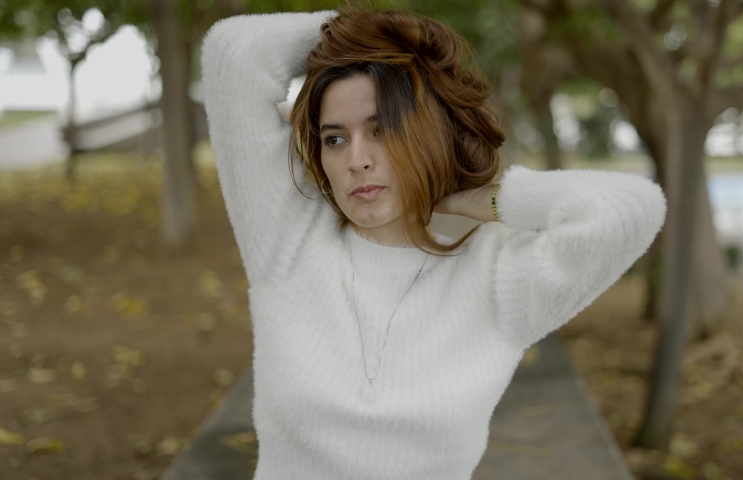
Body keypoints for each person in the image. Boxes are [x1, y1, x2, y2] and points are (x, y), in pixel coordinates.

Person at [200, 3, 666, 479]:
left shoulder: (498, 278)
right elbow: (233, 53)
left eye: (382, 130)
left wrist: (475, 200)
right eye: (335, 139)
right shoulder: (289, 238)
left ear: (427, 135)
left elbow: (632, 209)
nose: (356, 160)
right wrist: (365, 31)